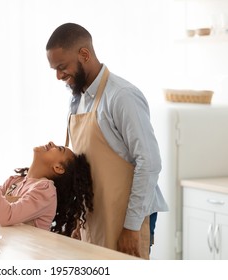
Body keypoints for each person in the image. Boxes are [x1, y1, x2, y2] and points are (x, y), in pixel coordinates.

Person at [46, 23, 169, 259]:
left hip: (128, 215)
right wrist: (77, 220)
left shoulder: (122, 96)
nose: (58, 76)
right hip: (97, 213)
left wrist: (131, 227)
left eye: (62, 67)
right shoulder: (77, 98)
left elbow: (150, 162)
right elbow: (85, 164)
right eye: (54, 69)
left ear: (84, 54)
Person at [0, 141, 94, 237]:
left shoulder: (45, 190)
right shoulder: (16, 181)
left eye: (58, 148)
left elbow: (7, 216)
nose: (51, 143)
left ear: (58, 167)